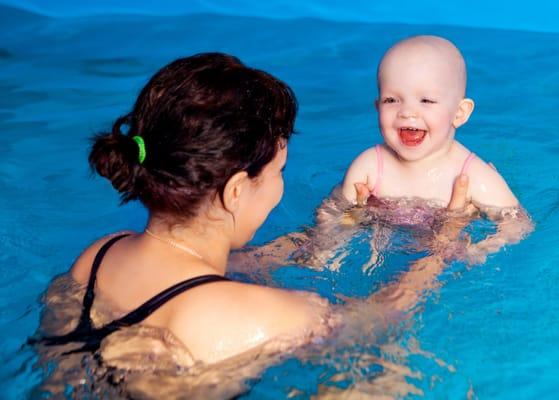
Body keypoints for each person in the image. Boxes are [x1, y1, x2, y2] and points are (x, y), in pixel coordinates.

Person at [33, 53, 471, 396]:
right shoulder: (277, 316)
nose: (280, 188)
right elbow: (383, 317)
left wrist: (320, 234)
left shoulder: (98, 256)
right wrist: (441, 245)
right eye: (278, 173)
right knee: (390, 376)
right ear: (237, 190)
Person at [336, 35, 532, 264]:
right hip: (381, 245)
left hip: (442, 255)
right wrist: (355, 218)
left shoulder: (471, 176)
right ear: (377, 106)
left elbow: (518, 225)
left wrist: (477, 251)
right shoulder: (370, 166)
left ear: (459, 113)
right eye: (391, 100)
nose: (407, 112)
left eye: (426, 100)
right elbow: (337, 216)